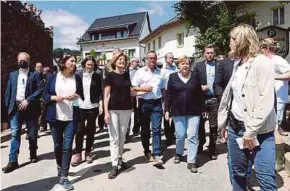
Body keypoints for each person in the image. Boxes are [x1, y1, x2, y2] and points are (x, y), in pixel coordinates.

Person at [218, 24, 277, 190]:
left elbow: (265, 100)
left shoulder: (262, 63)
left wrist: (250, 132)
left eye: (232, 39)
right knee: (238, 174)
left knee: (265, 179)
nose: (229, 42)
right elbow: (231, 98)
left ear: (241, 41)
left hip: (260, 132)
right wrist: (224, 123)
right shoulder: (237, 64)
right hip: (235, 129)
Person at [43, 54, 84, 190]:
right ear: (64, 62)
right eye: (71, 61)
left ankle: (64, 176)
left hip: (71, 117)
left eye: (75, 61)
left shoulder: (77, 78)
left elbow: (81, 95)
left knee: (67, 146)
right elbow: (45, 96)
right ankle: (60, 167)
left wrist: (76, 96)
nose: (74, 63)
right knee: (57, 144)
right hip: (55, 117)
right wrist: (55, 97)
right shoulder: (52, 78)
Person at [3, 52, 43, 173]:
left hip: (30, 109)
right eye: (20, 60)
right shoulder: (12, 75)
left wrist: (28, 100)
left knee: (32, 134)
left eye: (24, 60)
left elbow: (40, 89)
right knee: (15, 133)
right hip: (15, 108)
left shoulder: (35, 74)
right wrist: (7, 107)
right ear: (17, 60)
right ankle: (13, 161)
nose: (22, 62)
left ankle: (33, 153)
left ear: (29, 61)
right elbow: (8, 92)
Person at [165, 55, 205, 173]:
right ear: (178, 66)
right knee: (180, 135)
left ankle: (191, 161)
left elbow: (200, 94)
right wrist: (167, 110)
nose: (185, 66)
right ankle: (179, 152)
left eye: (187, 63)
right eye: (183, 63)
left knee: (192, 135)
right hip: (178, 111)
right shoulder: (172, 77)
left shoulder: (195, 76)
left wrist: (203, 109)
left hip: (194, 111)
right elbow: (168, 95)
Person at [261, 37, 290, 172]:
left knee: (275, 128)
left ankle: (278, 162)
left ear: (267, 48)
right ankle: (272, 158)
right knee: (270, 129)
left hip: (278, 98)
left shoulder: (278, 60)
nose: (260, 50)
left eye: (262, 47)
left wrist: (273, 78)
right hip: (268, 98)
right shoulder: (266, 60)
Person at [132, 50, 165, 167]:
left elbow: (163, 89)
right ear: (146, 60)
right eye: (150, 58)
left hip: (156, 103)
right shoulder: (140, 72)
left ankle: (157, 154)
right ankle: (147, 151)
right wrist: (144, 89)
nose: (152, 60)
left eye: (154, 58)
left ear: (156, 59)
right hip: (144, 103)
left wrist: (164, 104)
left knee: (156, 130)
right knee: (145, 129)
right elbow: (133, 89)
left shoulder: (161, 73)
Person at [104, 52, 132, 179]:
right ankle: (114, 165)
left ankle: (120, 158)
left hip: (126, 109)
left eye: (124, 59)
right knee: (114, 138)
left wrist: (145, 90)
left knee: (122, 137)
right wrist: (105, 112)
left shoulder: (127, 75)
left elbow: (131, 92)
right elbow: (106, 95)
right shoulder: (110, 75)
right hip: (113, 110)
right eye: (119, 59)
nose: (122, 61)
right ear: (115, 62)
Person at [71, 57, 103, 166]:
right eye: (88, 64)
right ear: (84, 65)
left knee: (90, 130)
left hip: (93, 106)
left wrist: (101, 104)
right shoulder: (78, 75)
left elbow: (101, 91)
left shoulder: (98, 76)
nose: (90, 66)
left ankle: (88, 152)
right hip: (80, 106)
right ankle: (78, 153)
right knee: (79, 130)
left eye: (92, 65)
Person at [194, 44, 219, 160]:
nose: (209, 55)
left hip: (215, 99)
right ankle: (201, 143)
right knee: (200, 124)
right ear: (204, 54)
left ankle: (212, 149)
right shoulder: (198, 66)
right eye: (207, 52)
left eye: (211, 52)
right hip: (201, 99)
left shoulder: (219, 65)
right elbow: (193, 81)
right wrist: (199, 87)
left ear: (214, 53)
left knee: (213, 125)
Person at [161, 52, 178, 146]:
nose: (171, 59)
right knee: (166, 115)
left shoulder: (176, 69)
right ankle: (168, 136)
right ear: (166, 59)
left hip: (176, 93)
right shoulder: (162, 70)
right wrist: (163, 98)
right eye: (170, 58)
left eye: (172, 58)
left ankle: (172, 133)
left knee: (175, 114)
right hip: (166, 93)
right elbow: (162, 85)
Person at [126, 57, 141, 142]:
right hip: (128, 94)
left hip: (137, 93)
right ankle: (127, 133)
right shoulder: (126, 71)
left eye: (138, 62)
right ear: (132, 62)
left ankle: (136, 130)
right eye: (137, 62)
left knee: (137, 112)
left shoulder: (139, 71)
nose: (138, 63)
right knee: (128, 113)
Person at [39, 66, 52, 132]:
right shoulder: (45, 77)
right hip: (49, 97)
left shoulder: (49, 77)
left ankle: (43, 126)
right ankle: (44, 126)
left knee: (44, 112)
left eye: (44, 71)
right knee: (45, 112)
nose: (43, 73)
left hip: (47, 97)